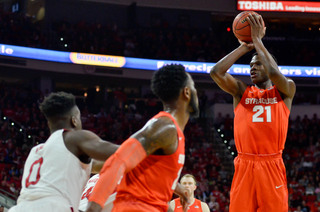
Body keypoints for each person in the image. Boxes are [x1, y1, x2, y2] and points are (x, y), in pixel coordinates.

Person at [210, 14, 296, 212]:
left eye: (257, 64)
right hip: (244, 164)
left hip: (271, 164)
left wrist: (257, 41)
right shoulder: (241, 91)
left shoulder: (285, 89)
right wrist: (244, 46)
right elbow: (216, 72)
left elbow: (275, 74)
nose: (252, 68)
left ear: (268, 64)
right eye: (250, 66)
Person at [86, 64, 200, 212]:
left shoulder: (171, 131)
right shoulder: (165, 127)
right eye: (194, 88)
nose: (196, 93)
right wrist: (93, 208)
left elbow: (150, 174)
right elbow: (118, 161)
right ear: (186, 92)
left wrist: (178, 188)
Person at [9, 92, 119, 212]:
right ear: (74, 120)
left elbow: (98, 164)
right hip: (52, 207)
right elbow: (120, 152)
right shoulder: (73, 138)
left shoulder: (37, 151)